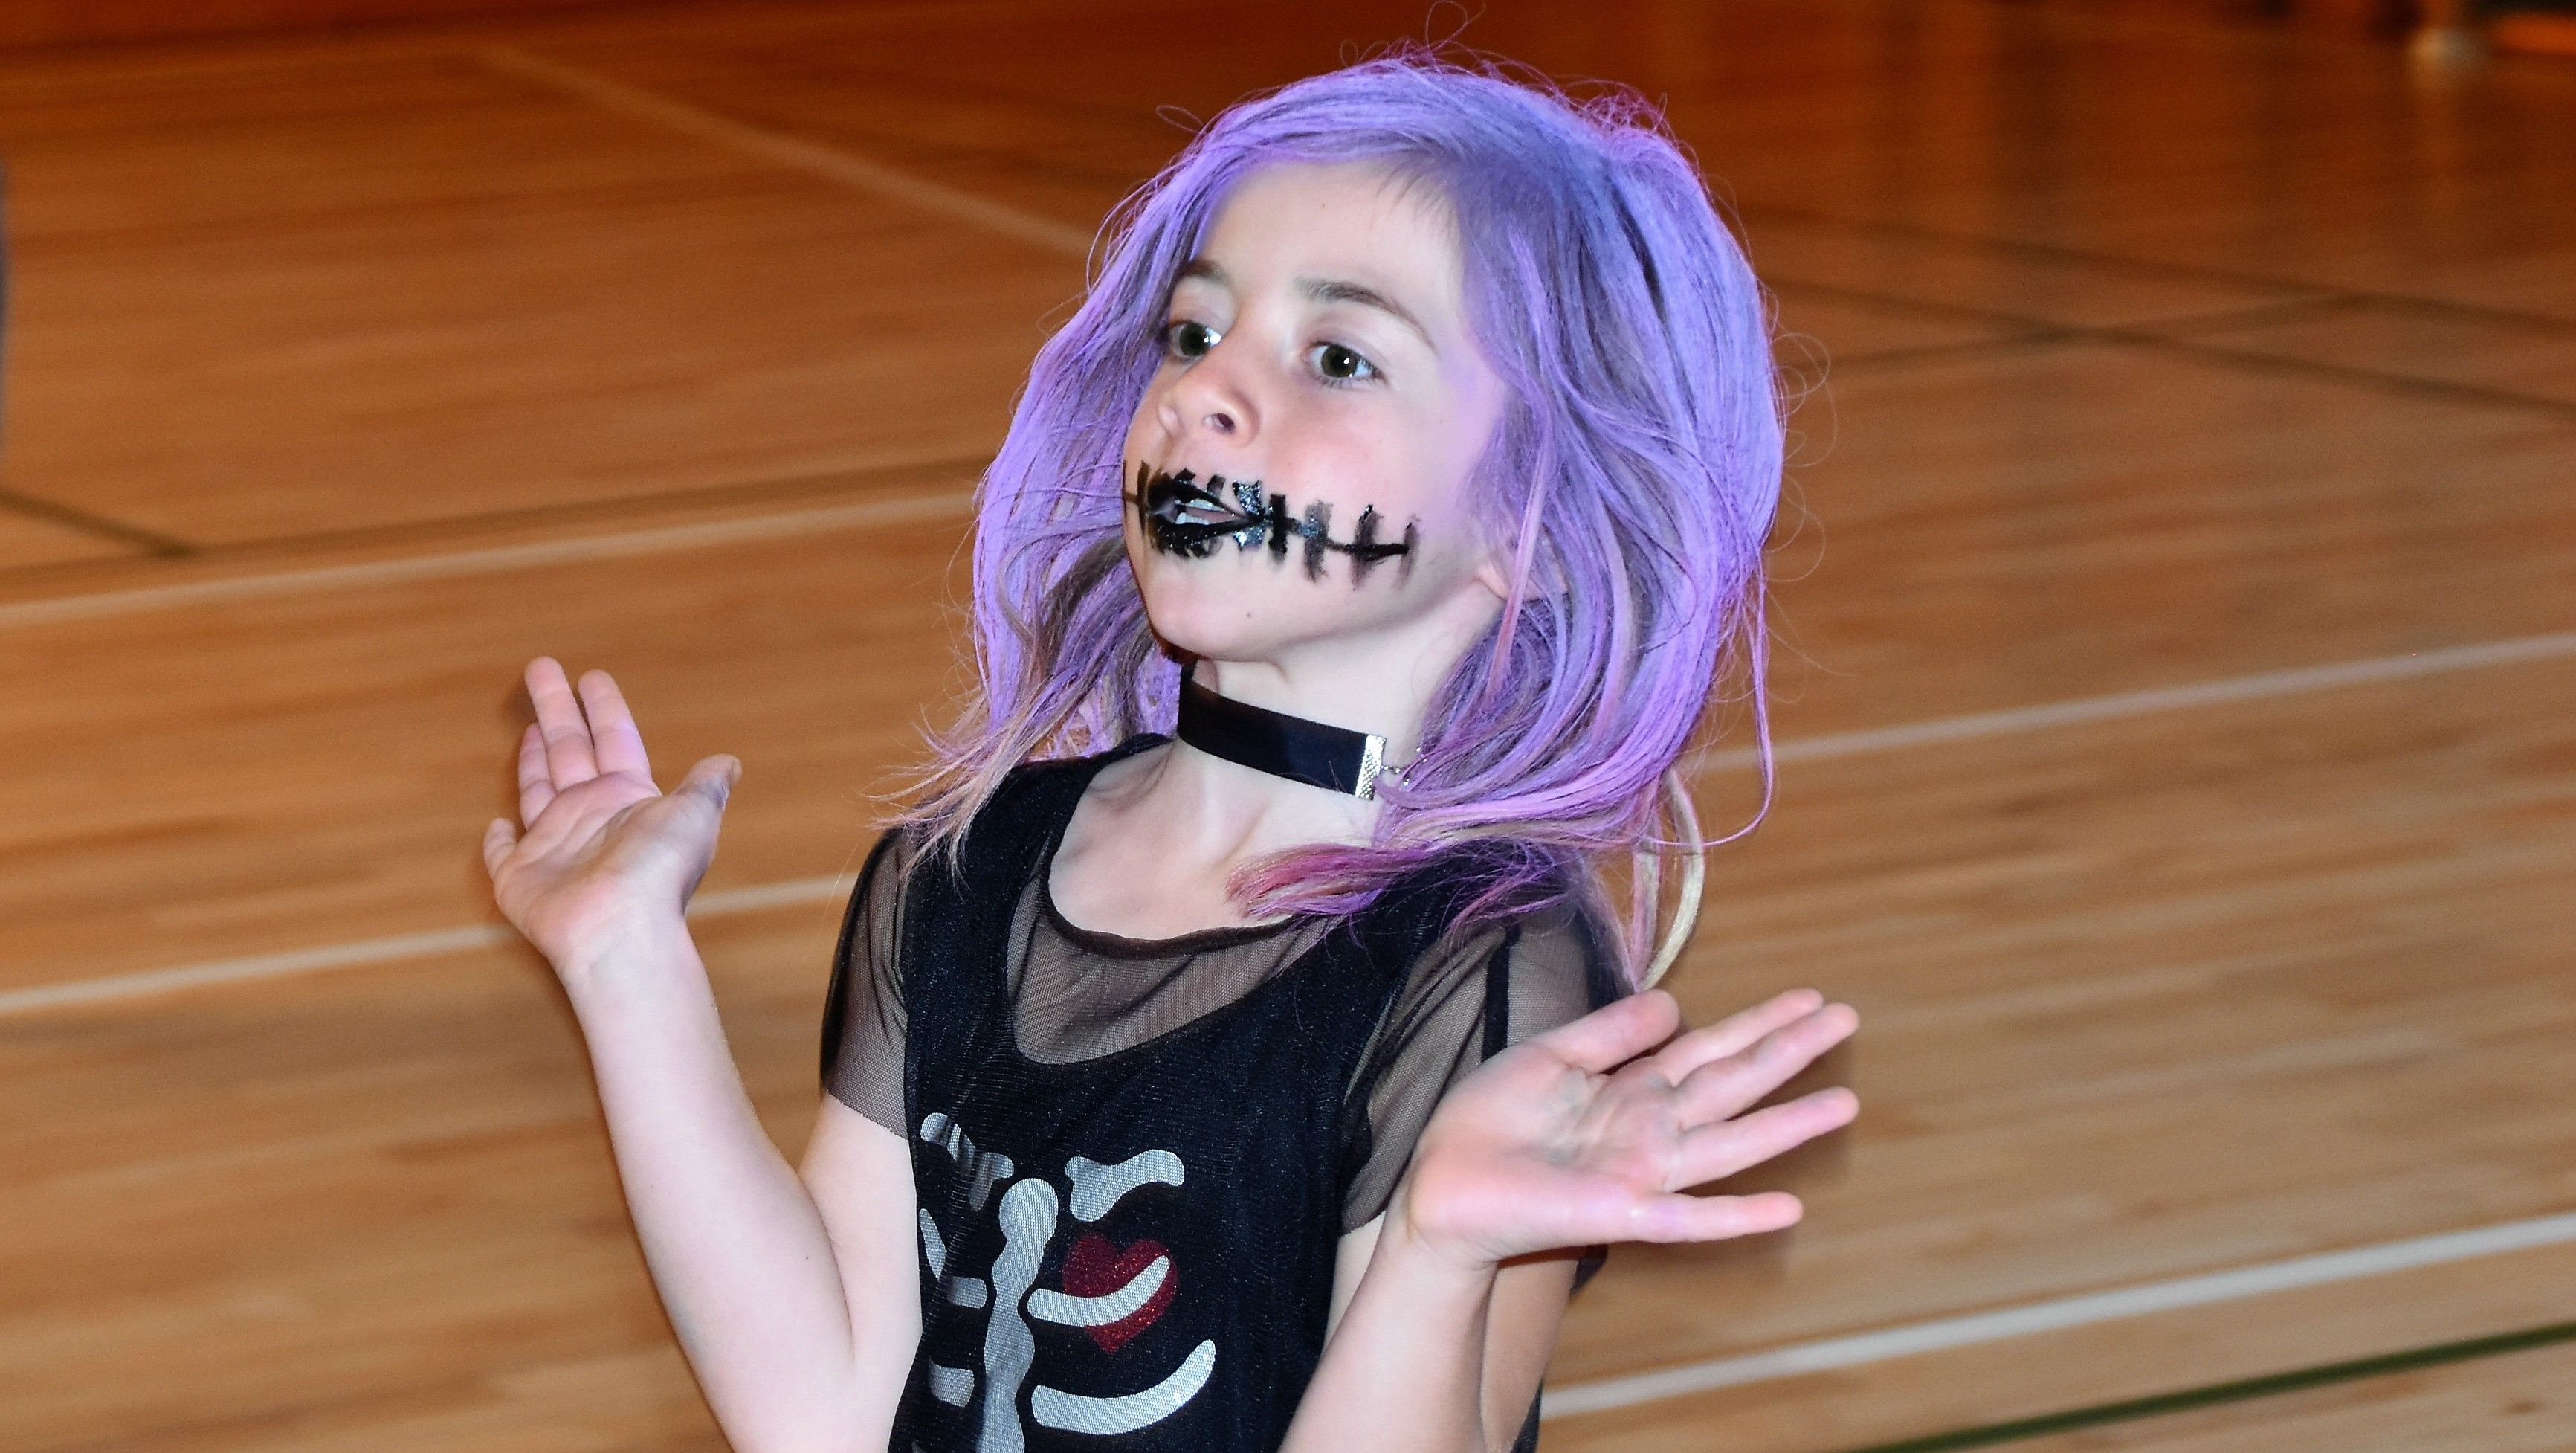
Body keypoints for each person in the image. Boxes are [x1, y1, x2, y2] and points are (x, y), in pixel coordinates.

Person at [480, 53, 1859, 1453]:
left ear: (1534, 526)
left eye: (1337, 358)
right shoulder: (964, 869)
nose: (1204, 392)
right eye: (1194, 331)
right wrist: (627, 964)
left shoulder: (1477, 967)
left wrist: (1434, 1257)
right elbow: (819, 1417)